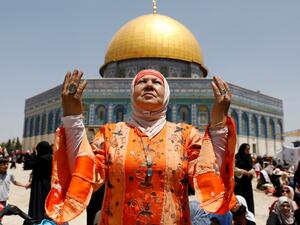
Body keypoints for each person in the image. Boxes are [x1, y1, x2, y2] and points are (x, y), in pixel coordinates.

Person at [45, 69, 237, 224]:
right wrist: (72, 118)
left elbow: (208, 174)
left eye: (156, 82)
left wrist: (219, 122)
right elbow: (85, 173)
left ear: (167, 93)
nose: (149, 85)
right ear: (131, 91)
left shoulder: (185, 135)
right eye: (141, 81)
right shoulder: (111, 134)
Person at [24, 141, 53, 220]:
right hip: (49, 185)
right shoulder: (52, 158)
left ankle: (38, 220)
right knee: (47, 204)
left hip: (39, 185)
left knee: (38, 204)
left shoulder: (42, 158)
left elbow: (28, 165)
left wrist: (28, 154)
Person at [234, 143, 255, 214]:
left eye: (249, 149)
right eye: (247, 149)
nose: (248, 151)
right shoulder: (237, 157)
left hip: (247, 182)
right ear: (243, 149)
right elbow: (233, 168)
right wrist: (242, 172)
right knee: (240, 197)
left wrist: (250, 172)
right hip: (240, 182)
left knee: (248, 198)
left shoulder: (249, 157)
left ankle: (249, 213)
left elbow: (252, 167)